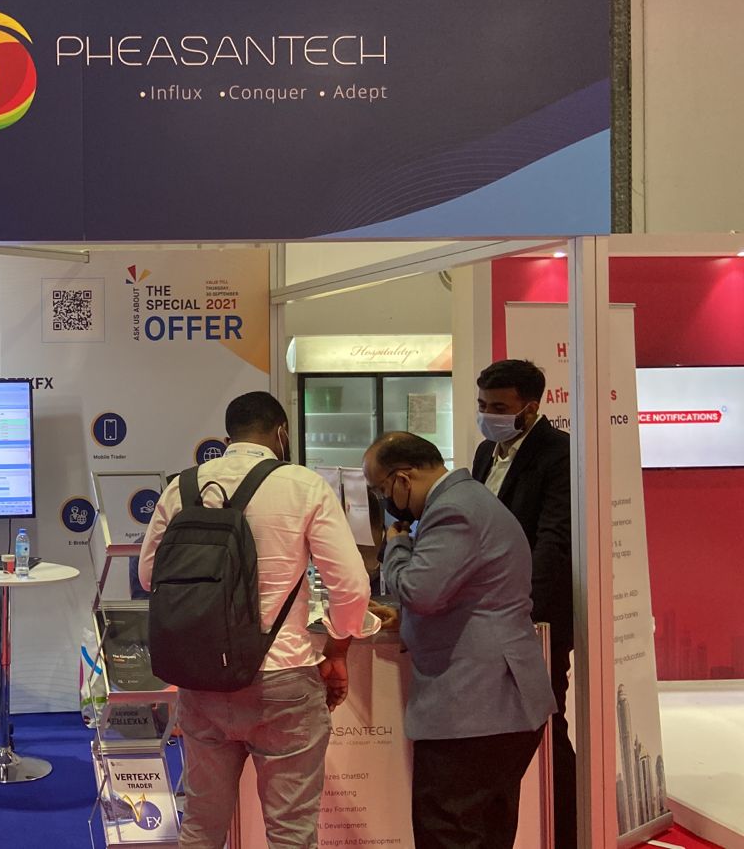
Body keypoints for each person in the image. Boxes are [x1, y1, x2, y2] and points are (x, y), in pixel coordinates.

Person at [139, 391, 379, 849]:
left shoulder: (182, 487)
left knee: (201, 827)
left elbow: (150, 577)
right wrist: (338, 648)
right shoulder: (303, 485)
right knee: (290, 833)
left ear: (228, 438)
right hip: (283, 679)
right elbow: (351, 587)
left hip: (202, 680)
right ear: (281, 433)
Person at [366, 432, 556, 849]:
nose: (384, 500)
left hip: (475, 707)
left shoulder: (453, 510)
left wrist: (396, 547)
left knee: (448, 832)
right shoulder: (468, 500)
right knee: (484, 832)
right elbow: (468, 592)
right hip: (493, 706)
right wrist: (408, 619)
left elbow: (420, 591)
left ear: (403, 479)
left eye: (381, 489)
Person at [471, 358, 576, 848]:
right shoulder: (484, 453)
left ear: (531, 408)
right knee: (499, 739)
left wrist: (523, 610)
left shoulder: (560, 454)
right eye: (482, 405)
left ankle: (569, 831)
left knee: (547, 728)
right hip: (487, 616)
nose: (487, 415)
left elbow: (554, 542)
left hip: (535, 619)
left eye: (499, 407)